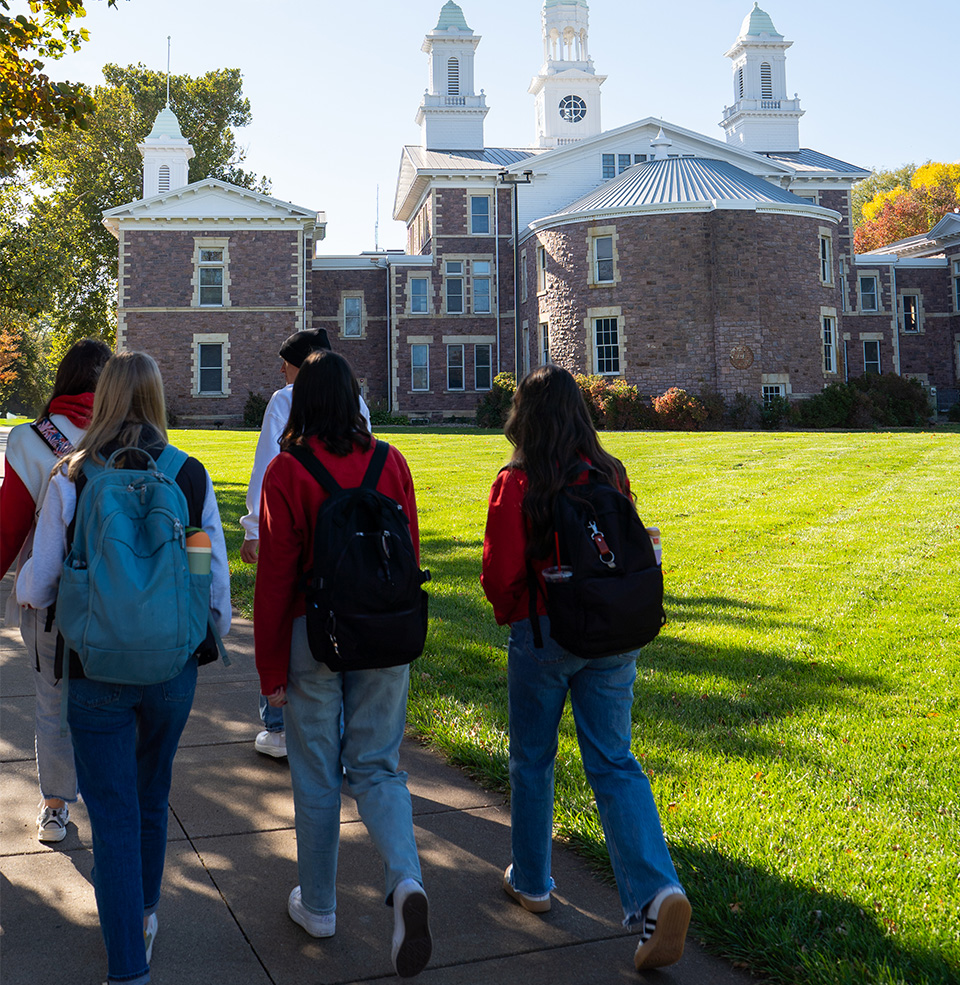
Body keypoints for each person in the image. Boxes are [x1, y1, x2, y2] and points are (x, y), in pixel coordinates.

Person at [16, 351, 231, 985]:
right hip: (171, 667)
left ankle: (127, 968)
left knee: (109, 815)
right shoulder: (188, 476)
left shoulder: (71, 477)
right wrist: (197, 630)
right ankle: (142, 913)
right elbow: (210, 581)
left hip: (94, 668)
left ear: (106, 399)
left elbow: (42, 584)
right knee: (151, 796)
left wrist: (25, 585)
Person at [480, 364, 691, 972]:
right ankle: (658, 893)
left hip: (546, 634)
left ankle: (534, 882)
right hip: (614, 635)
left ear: (525, 417)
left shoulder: (517, 481)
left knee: (532, 760)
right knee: (614, 761)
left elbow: (501, 573)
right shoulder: (611, 473)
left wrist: (516, 616)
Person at [253, 349, 431, 978]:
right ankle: (406, 880)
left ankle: (321, 905)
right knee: (379, 765)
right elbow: (405, 552)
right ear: (355, 400)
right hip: (383, 633)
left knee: (316, 770)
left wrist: (269, 669)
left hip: (314, 635)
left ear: (300, 404)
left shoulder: (286, 471)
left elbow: (274, 580)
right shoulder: (392, 462)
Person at [240, 328, 371, 759]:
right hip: (352, 542)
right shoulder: (360, 407)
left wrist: (254, 528)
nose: (281, 369)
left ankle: (278, 725)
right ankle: (344, 734)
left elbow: (266, 467)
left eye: (287, 361)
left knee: (286, 614)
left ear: (306, 365)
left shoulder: (284, 402)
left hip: (297, 528)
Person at [0, 338, 111, 842]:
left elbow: (8, 529)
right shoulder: (134, 433)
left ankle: (55, 806)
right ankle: (114, 798)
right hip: (121, 595)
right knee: (115, 699)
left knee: (52, 700)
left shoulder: (30, 440)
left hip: (52, 598)